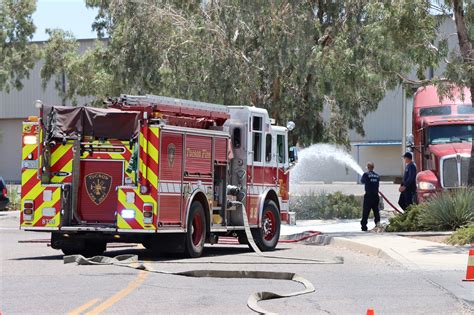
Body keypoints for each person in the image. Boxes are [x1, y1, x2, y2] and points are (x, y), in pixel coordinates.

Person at [360, 162, 380, 232]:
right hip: (376, 196)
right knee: (376, 212)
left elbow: (362, 181)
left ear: (368, 167)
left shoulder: (365, 174)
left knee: (366, 212)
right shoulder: (377, 176)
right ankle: (378, 225)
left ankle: (364, 226)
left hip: (368, 196)